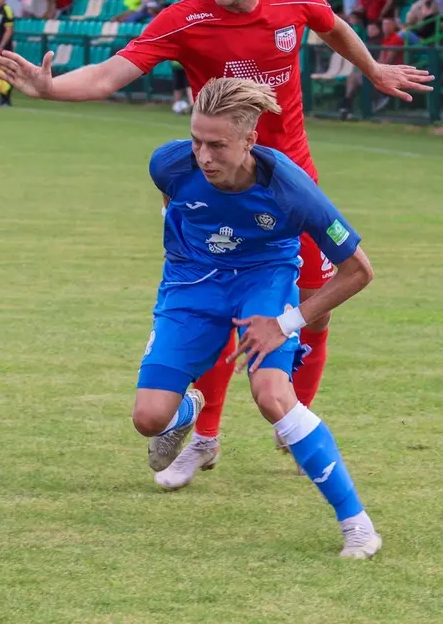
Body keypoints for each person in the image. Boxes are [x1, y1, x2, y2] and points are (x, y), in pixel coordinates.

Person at [0, 0, 432, 485]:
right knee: (223, 306)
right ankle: (203, 437)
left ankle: (294, 416)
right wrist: (50, 89)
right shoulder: (186, 19)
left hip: (291, 183)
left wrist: (374, 69)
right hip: (222, 189)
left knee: (317, 304)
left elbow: (335, 28)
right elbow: (110, 73)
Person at [137, 77, 380, 558]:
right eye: (197, 140)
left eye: (217, 145)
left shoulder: (290, 187)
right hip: (191, 283)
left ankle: (357, 524)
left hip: (263, 280)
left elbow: (359, 271)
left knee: (272, 395)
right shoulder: (168, 162)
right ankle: (187, 411)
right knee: (149, 419)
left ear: (250, 140)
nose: (203, 156)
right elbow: (176, 209)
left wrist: (286, 322)